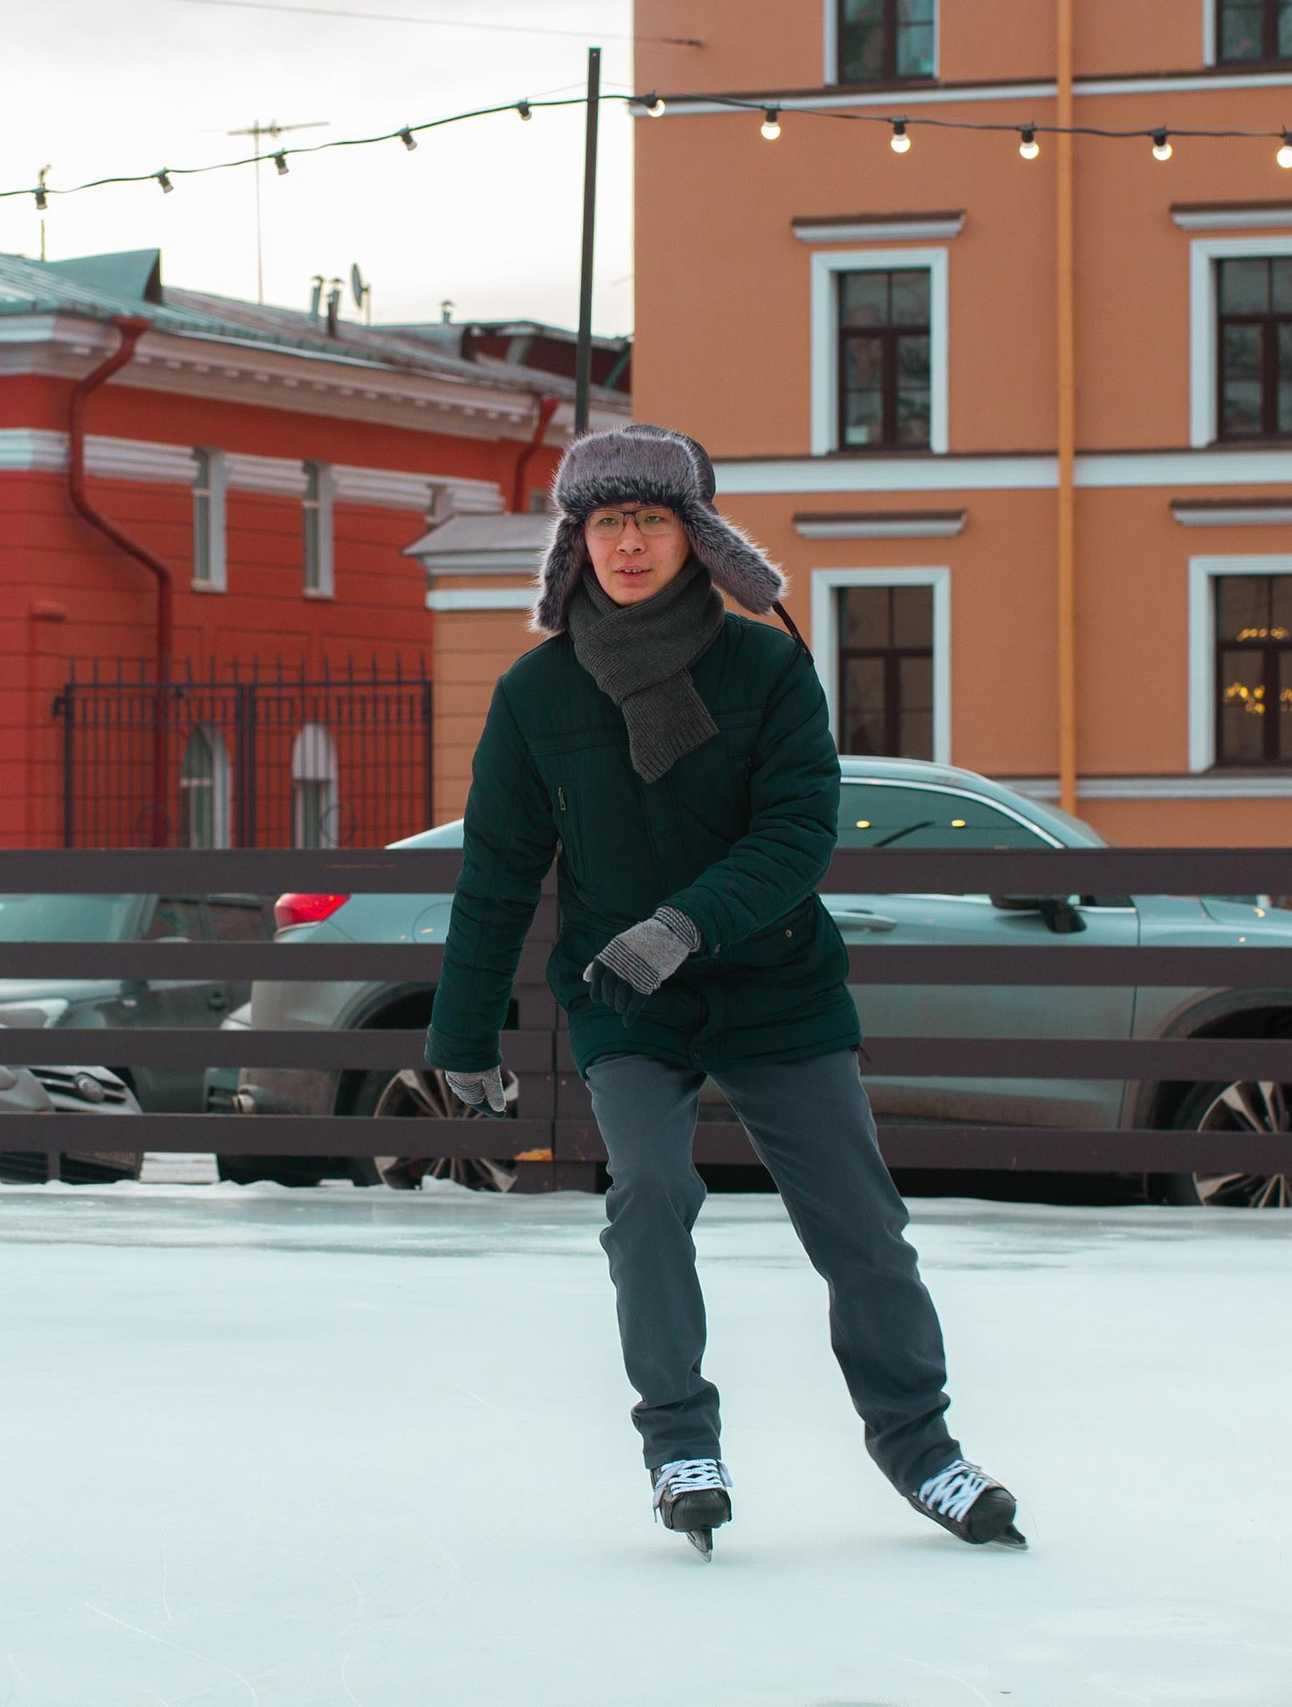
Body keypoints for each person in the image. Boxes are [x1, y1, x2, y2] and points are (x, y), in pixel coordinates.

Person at [424, 424, 1023, 1560]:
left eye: (651, 520)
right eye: (606, 523)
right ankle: (679, 1445)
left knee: (860, 1227)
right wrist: (464, 1029)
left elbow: (797, 834)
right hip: (623, 997)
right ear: (577, 542)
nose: (628, 544)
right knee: (647, 1192)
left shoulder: (764, 668)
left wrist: (684, 924)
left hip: (773, 983)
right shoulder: (536, 693)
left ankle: (921, 1449)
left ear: (695, 537)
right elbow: (498, 866)